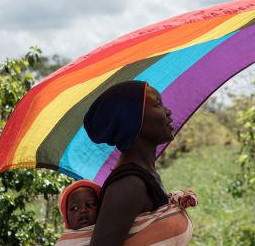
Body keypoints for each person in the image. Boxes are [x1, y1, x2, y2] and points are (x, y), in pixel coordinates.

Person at [83, 81, 197, 246]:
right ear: (133, 121)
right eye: (158, 104)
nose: (168, 111)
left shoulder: (145, 176)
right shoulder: (129, 185)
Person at [55, 180, 102, 246]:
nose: (83, 210)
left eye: (90, 204)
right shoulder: (63, 243)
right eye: (75, 208)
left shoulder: (108, 231)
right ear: (66, 218)